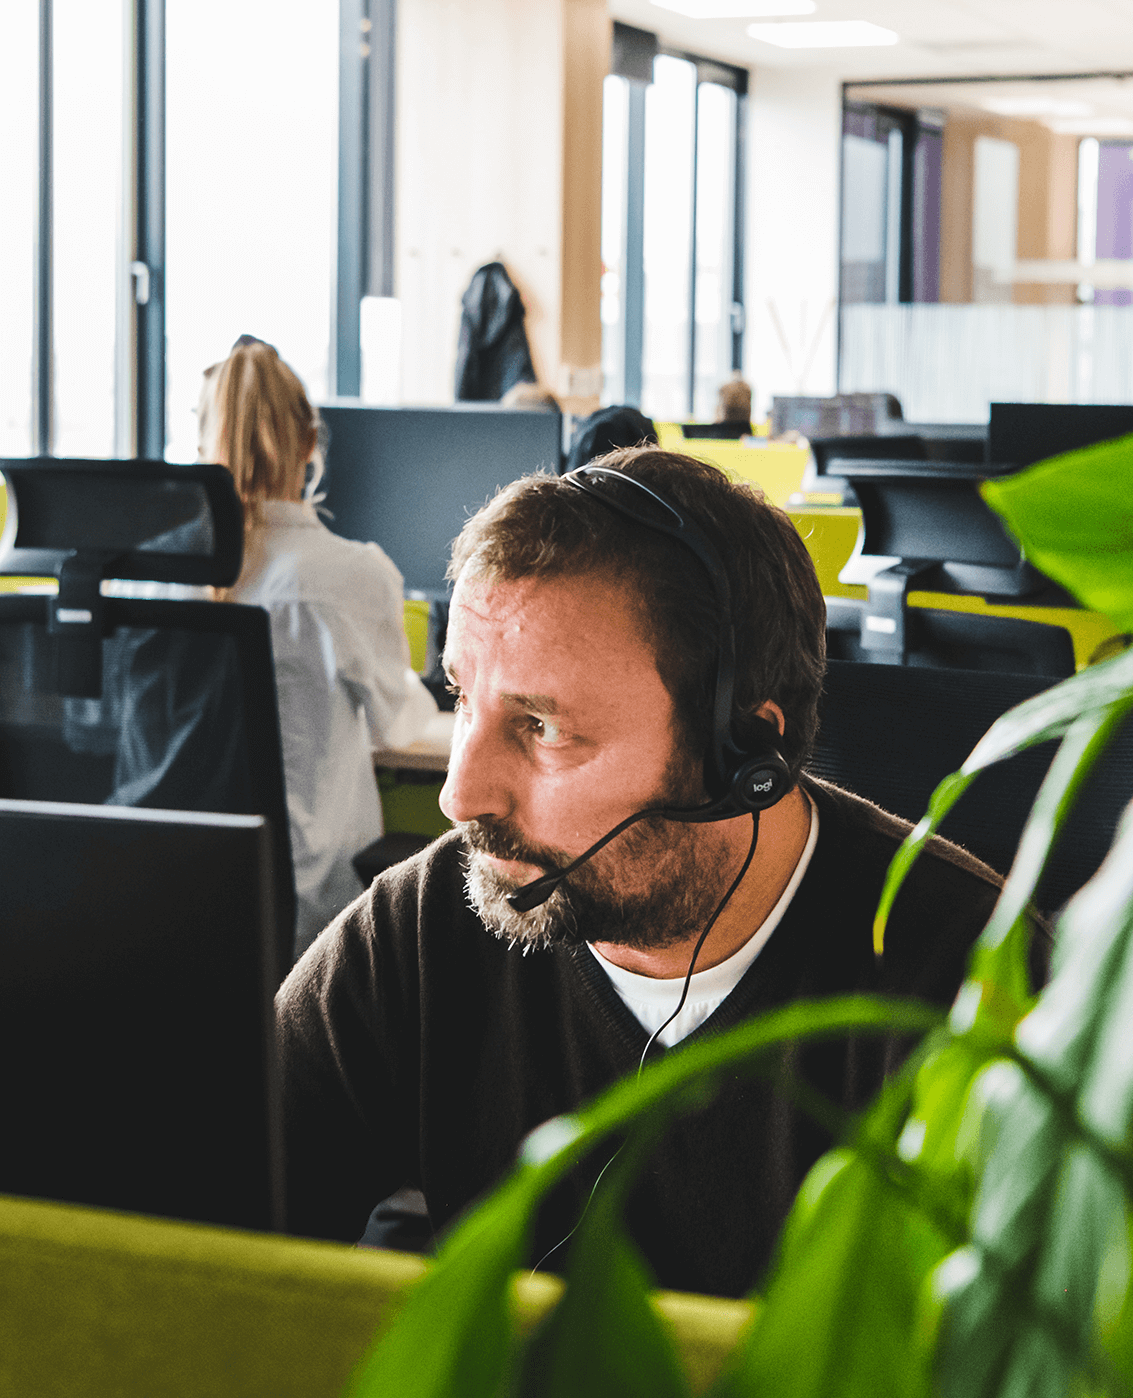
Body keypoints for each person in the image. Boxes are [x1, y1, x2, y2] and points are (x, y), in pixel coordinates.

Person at [275, 446, 1040, 1297]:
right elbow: (201, 1227)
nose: (460, 795)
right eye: (462, 698)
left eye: (543, 726)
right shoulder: (421, 932)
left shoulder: (975, 990)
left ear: (740, 757)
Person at [198, 340, 436, 959]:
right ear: (310, 445)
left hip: (182, 889)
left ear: (205, 443)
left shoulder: (160, 573)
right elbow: (396, 723)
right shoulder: (349, 575)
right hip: (312, 904)